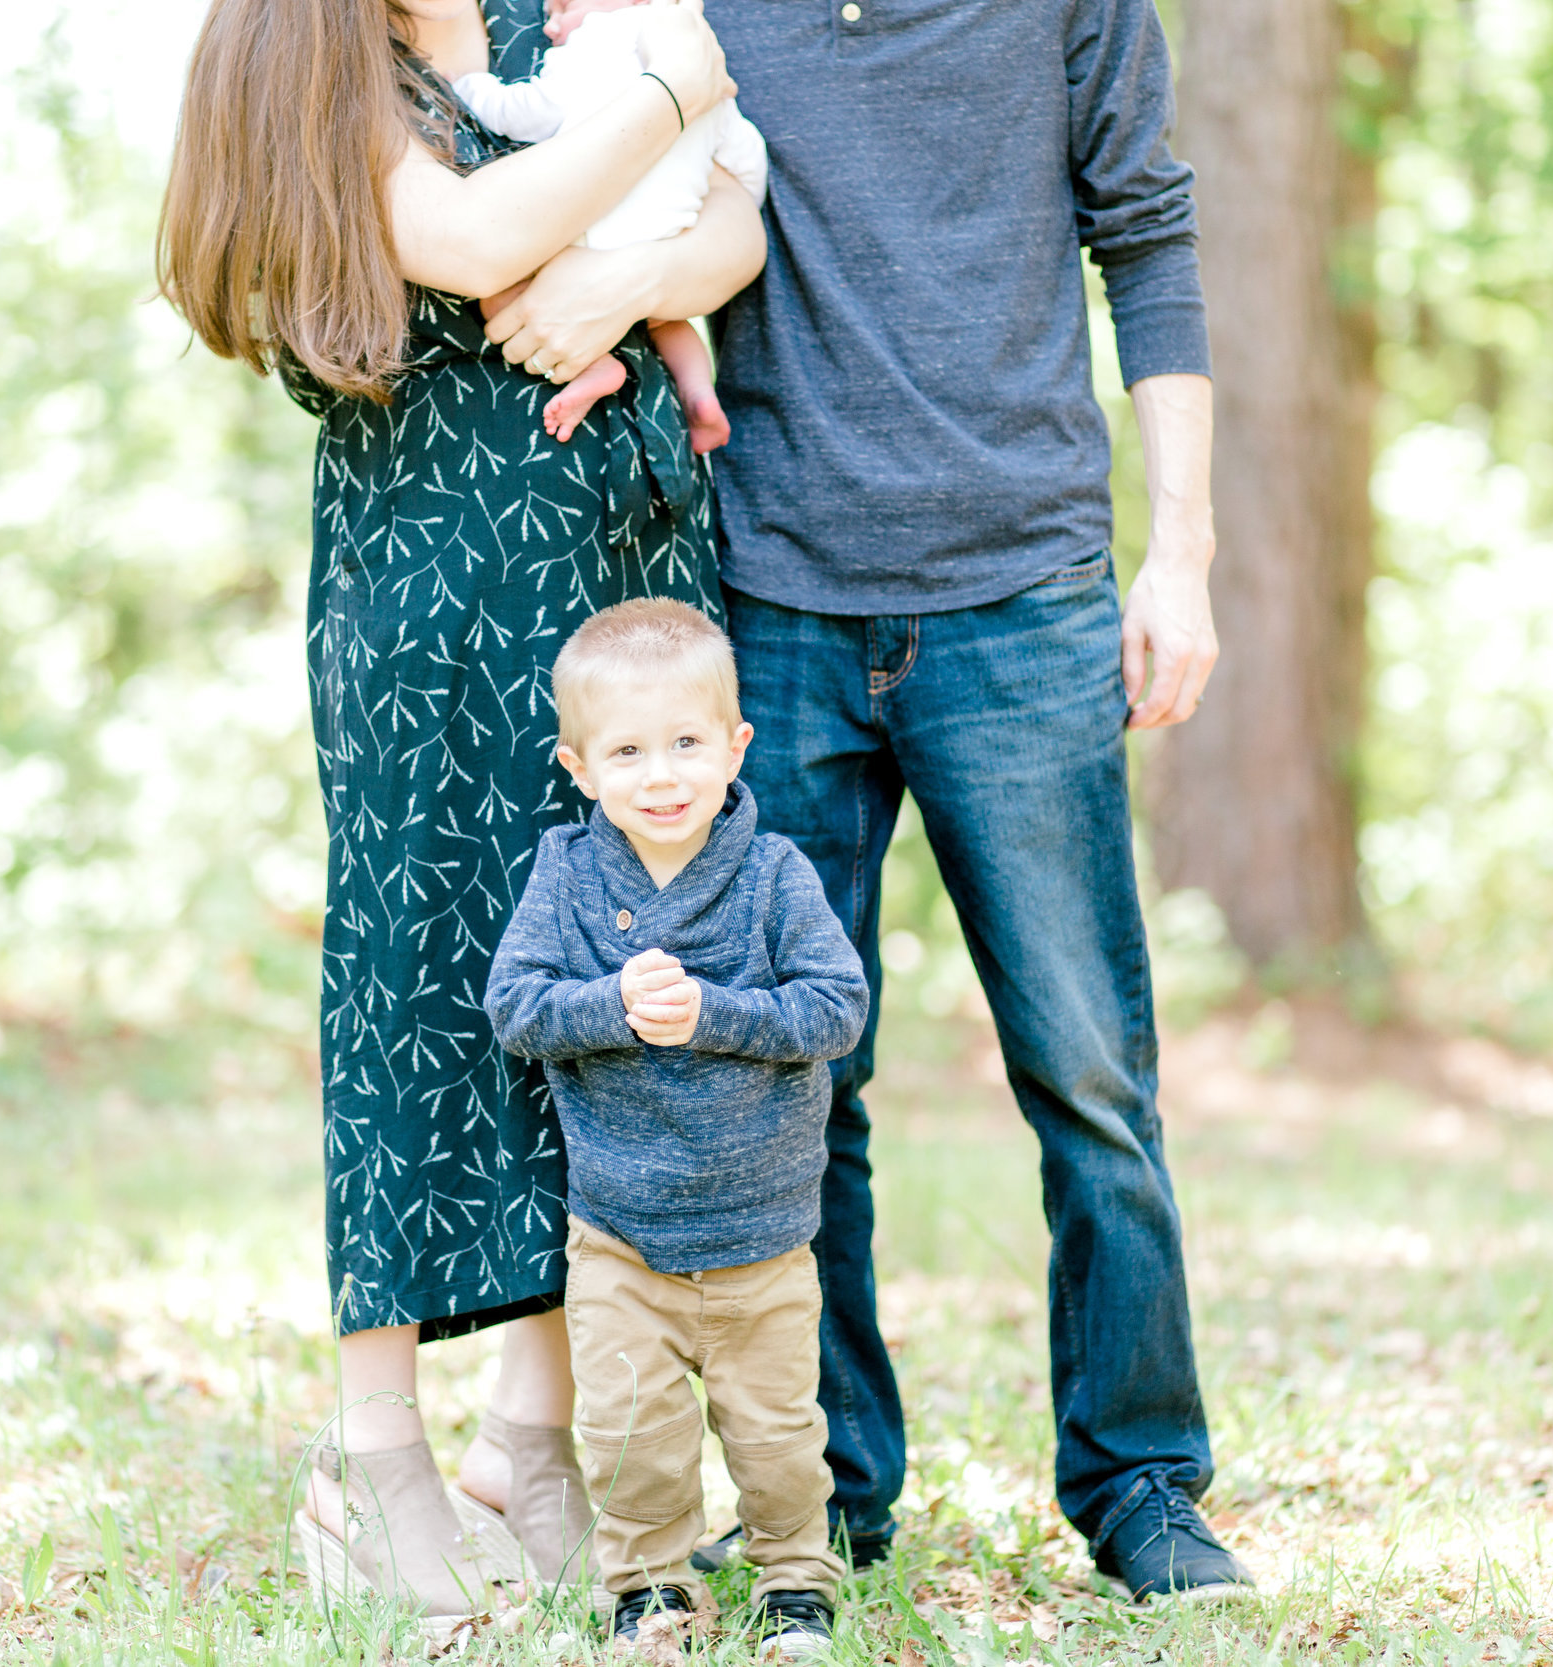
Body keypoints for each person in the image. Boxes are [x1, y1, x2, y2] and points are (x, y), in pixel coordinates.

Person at [155, 0, 764, 1616]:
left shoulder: (536, 21)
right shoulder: (313, 54)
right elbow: (481, 228)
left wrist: (637, 268)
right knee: (422, 989)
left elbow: (739, 224)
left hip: (616, 589)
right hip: (435, 594)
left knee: (597, 992)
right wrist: (675, 80)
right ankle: (373, 1456)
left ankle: (535, 1436)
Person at [681, 0, 1254, 1605]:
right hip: (772, 597)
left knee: (1087, 1069)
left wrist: (1184, 551)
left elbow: (1146, 236)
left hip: (1024, 594)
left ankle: (1143, 1483)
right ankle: (829, 1491)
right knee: (799, 1073)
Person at [485, 598, 866, 1655]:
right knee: (630, 1434)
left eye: (688, 742)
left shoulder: (773, 874)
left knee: (779, 1437)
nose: (662, 774)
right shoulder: (566, 874)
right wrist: (610, 1003)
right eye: (628, 749)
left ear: (735, 743)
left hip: (761, 1234)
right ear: (578, 764)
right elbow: (514, 1006)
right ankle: (649, 1586)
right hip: (620, 1230)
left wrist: (715, 1012)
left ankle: (794, 1576)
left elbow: (838, 1009)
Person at [452, 0, 768, 453]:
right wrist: (728, 202)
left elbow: (530, 111)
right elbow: (746, 155)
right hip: (671, 235)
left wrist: (472, 88)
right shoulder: (701, 59)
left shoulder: (595, 40)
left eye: (562, 7)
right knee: (669, 321)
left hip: (585, 234)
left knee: (491, 279)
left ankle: (595, 366)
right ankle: (698, 392)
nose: (552, 23)